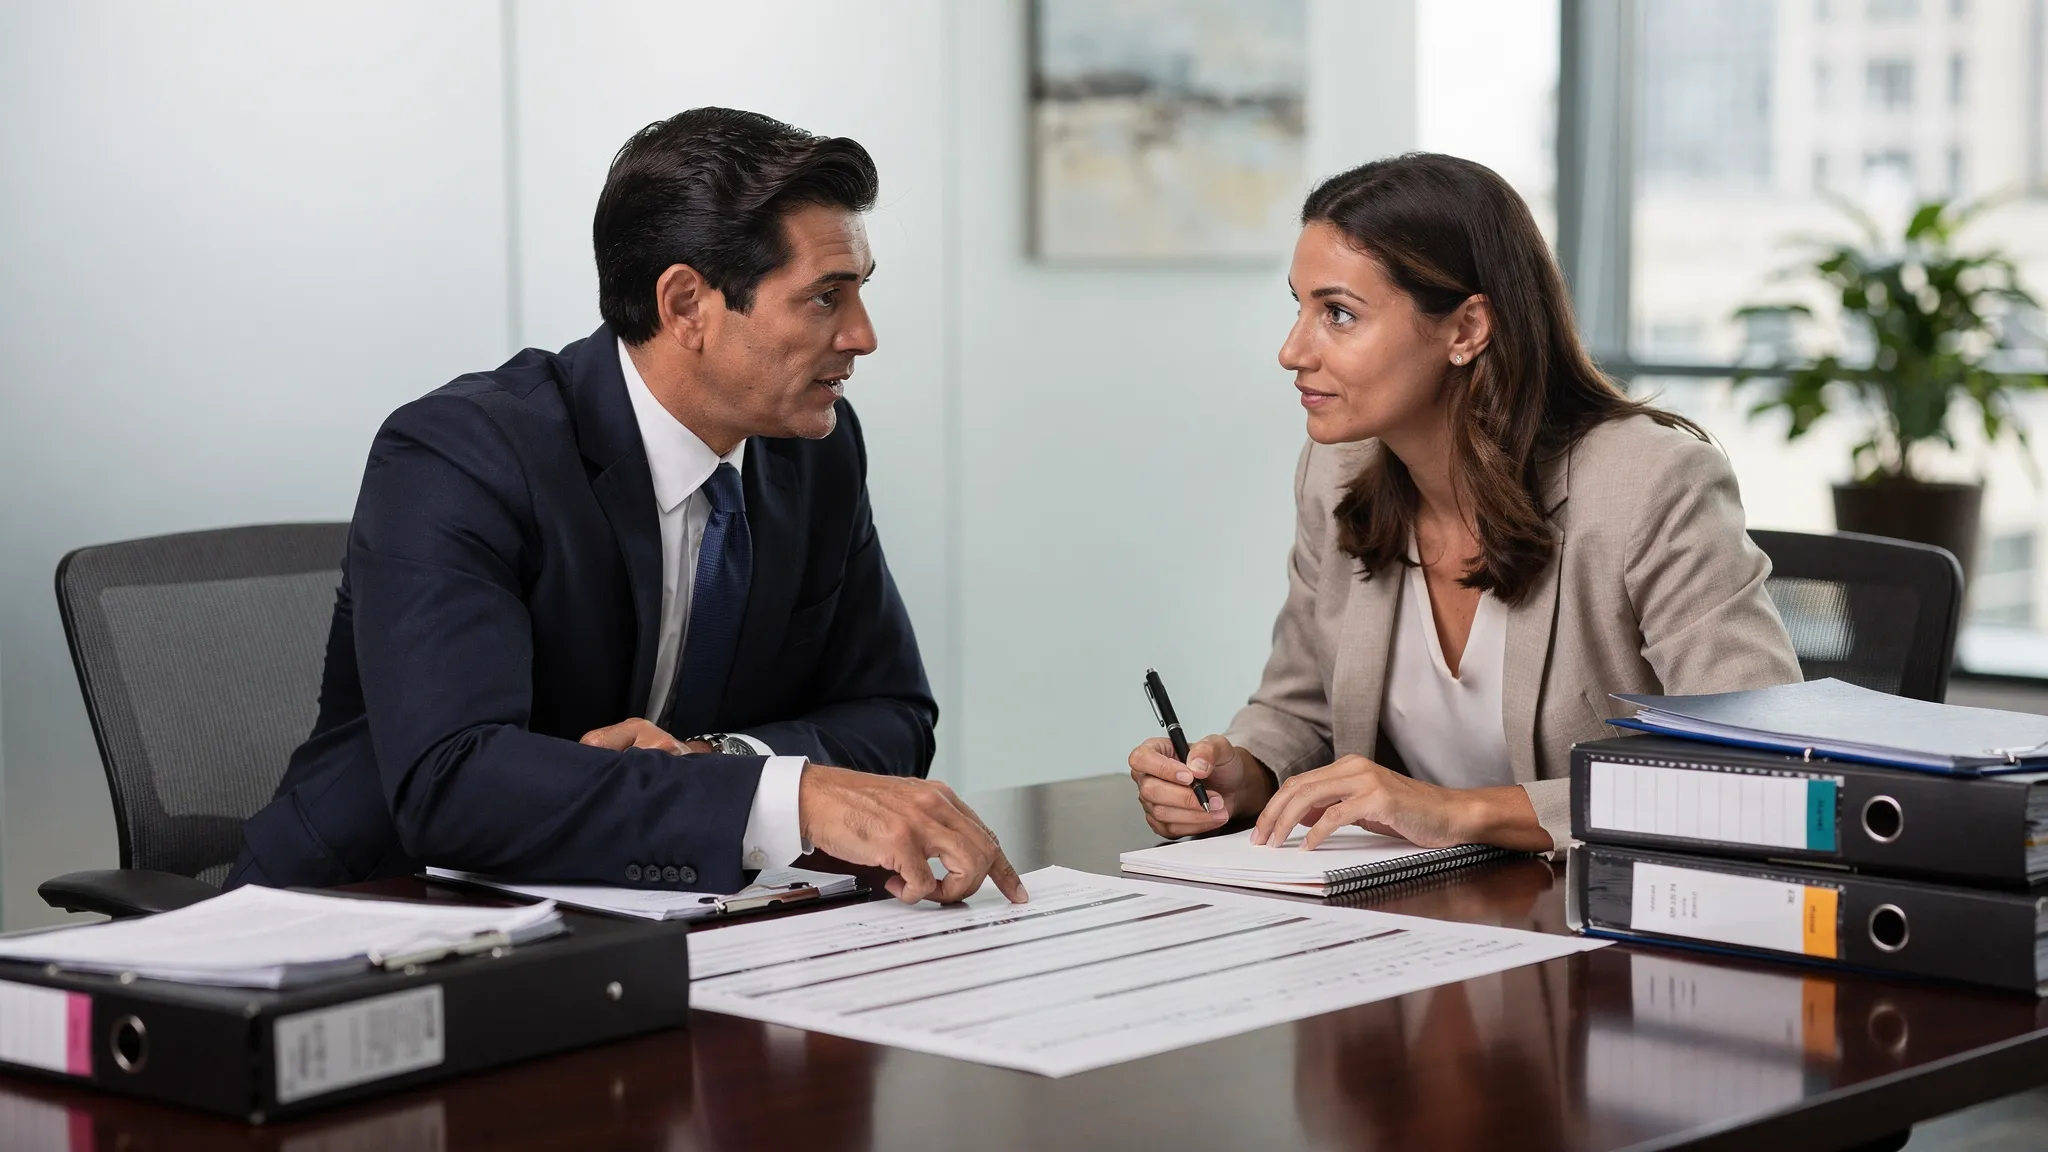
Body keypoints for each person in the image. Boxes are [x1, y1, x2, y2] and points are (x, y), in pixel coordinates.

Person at [230, 107, 1024, 906]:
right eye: (825, 297)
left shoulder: (815, 451)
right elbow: (453, 780)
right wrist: (786, 797)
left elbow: (892, 713)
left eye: (858, 293)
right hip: (366, 916)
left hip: (641, 919)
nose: (863, 335)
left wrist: (721, 760)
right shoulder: (463, 453)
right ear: (685, 306)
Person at [1126, 153, 1800, 855]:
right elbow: (1300, 707)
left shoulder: (1649, 483)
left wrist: (1460, 813)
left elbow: (1759, 762)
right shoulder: (1334, 470)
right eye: (1298, 308)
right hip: (1416, 923)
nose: (1293, 350)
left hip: (1604, 926)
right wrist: (1246, 771)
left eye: (1338, 314)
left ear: (1467, 329)